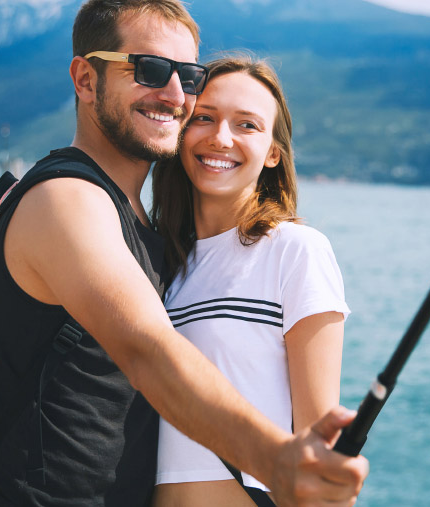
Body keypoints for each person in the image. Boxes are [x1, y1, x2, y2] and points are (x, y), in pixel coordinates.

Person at [0, 0, 368, 507]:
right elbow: (149, 354)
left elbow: (320, 443)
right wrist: (276, 459)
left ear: (274, 152)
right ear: (85, 80)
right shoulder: (67, 200)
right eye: (150, 70)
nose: (176, 96)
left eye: (188, 77)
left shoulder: (158, 245)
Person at [149, 56, 350, 506]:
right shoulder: (159, 267)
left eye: (247, 125)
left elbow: (320, 446)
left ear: (273, 152)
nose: (221, 138)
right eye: (205, 117)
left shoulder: (295, 251)